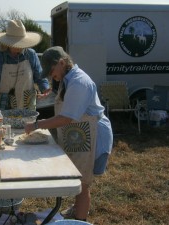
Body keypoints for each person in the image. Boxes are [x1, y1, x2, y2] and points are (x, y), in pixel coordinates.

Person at [24, 46, 113, 221]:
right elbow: (66, 99)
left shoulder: (79, 82)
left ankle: (80, 222)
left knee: (82, 183)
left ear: (62, 63)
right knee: (76, 178)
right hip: (80, 132)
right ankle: (77, 210)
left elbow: (66, 118)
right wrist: (51, 93)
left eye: (51, 71)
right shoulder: (68, 77)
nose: (51, 76)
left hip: (92, 133)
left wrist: (37, 124)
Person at [0, 20, 51, 110]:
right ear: (7, 43)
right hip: (4, 106)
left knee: (29, 124)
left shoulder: (31, 55)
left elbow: (40, 77)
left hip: (27, 105)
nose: (19, 46)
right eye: (15, 43)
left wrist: (45, 89)